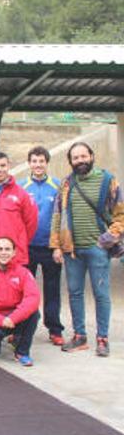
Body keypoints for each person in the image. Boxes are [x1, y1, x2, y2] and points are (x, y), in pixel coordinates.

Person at [50, 142, 124, 357]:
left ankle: (102, 338)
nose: (80, 160)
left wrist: (107, 239)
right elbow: (57, 216)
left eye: (84, 156)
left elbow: (120, 214)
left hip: (97, 249)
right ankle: (79, 336)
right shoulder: (66, 184)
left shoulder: (108, 181)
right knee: (74, 293)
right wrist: (56, 245)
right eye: (76, 157)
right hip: (71, 250)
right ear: (70, 161)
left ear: (92, 156)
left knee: (101, 294)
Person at [20, 146, 64, 346]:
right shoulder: (21, 186)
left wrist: (58, 246)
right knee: (24, 290)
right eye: (34, 161)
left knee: (52, 289)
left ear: (47, 163)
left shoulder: (58, 186)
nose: (38, 165)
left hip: (50, 248)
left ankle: (54, 328)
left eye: (41, 161)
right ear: (29, 163)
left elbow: (62, 218)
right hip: (26, 248)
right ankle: (19, 328)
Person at [0, 236, 40, 366]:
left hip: (14, 315)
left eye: (7, 249)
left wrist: (13, 318)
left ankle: (22, 352)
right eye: (0, 249)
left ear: (14, 252)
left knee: (34, 313)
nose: (3, 252)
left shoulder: (23, 273)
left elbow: (32, 298)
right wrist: (1, 320)